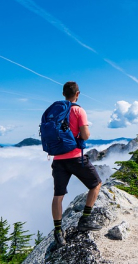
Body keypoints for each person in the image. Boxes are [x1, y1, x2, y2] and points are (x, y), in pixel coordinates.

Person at [50, 81, 103, 246]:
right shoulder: (79, 110)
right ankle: (85, 220)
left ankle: (58, 232)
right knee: (96, 184)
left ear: (63, 94)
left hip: (58, 159)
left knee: (58, 196)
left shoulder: (55, 112)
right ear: (78, 94)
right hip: (75, 157)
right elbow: (85, 135)